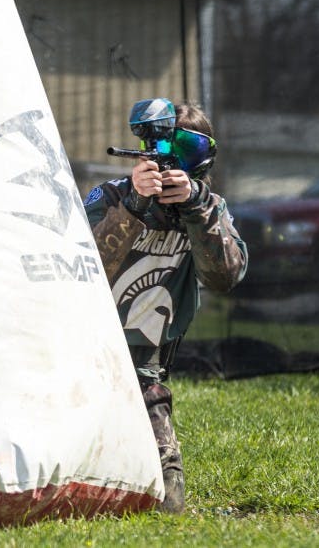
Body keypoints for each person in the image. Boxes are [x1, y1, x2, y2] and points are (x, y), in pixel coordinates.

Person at [84, 98, 247, 513]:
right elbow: (83, 268)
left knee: (167, 500)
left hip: (146, 367)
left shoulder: (208, 209)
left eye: (187, 152)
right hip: (81, 353)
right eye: (165, 152)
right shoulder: (112, 197)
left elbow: (223, 276)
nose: (173, 165)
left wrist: (195, 208)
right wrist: (134, 208)